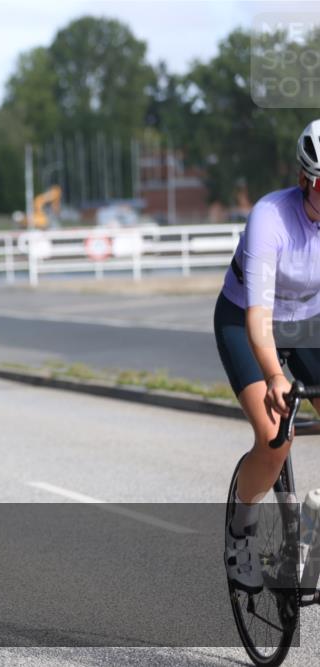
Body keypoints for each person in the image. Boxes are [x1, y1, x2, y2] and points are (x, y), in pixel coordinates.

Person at [218, 119, 320, 593]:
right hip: (246, 321)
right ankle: (241, 531)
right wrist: (276, 375)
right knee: (276, 437)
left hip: (308, 324)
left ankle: (307, 538)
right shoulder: (270, 218)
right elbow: (259, 317)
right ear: (305, 180)